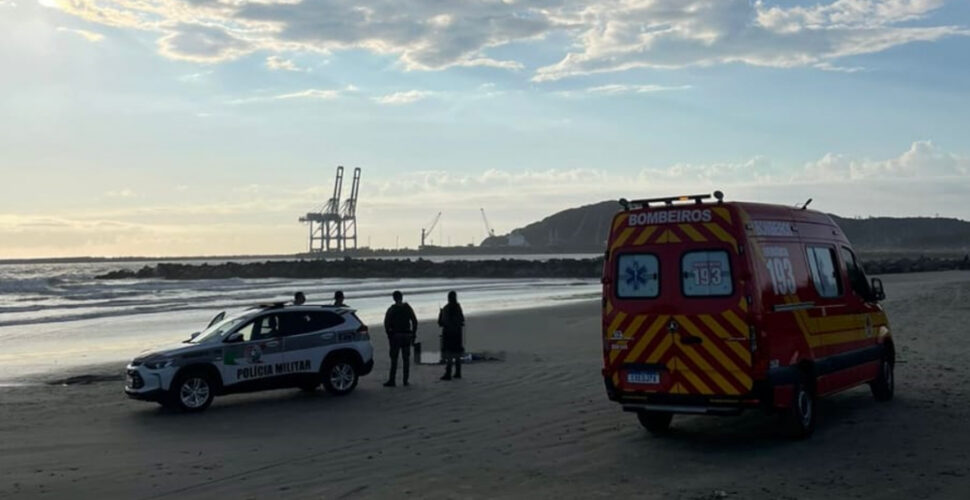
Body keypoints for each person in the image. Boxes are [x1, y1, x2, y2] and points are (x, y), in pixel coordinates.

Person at [383, 291, 418, 387]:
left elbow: (386, 323)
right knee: (406, 359)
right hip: (407, 335)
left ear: (394, 298)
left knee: (394, 359)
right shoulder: (407, 308)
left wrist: (389, 335)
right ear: (402, 297)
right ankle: (405, 380)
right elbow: (414, 321)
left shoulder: (392, 309)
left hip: (396, 335)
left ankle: (392, 380)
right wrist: (413, 334)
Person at [437, 291, 465, 381]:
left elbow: (441, 323)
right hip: (457, 333)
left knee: (448, 353)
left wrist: (440, 313)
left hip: (448, 333)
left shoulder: (446, 308)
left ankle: (448, 373)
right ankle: (458, 372)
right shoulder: (458, 307)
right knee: (457, 352)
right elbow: (462, 319)